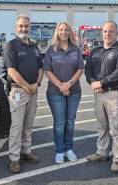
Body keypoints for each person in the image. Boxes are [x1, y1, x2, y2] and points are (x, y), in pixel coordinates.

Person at [84, 21, 118, 173]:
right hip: (98, 94)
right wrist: (92, 82)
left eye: (111, 31)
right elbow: (88, 69)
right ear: (102, 33)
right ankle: (102, 152)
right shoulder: (95, 51)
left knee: (116, 127)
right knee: (102, 125)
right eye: (105, 31)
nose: (107, 34)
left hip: (114, 93)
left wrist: (101, 83)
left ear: (117, 34)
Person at [3, 14, 43, 173]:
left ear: (30, 27)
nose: (23, 29)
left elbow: (41, 68)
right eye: (21, 26)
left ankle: (26, 151)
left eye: (26, 26)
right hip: (18, 91)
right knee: (17, 126)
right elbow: (11, 71)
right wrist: (28, 86)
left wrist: (37, 84)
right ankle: (14, 158)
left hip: (33, 90)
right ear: (16, 28)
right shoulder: (11, 46)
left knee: (28, 124)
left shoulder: (34, 46)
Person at [43, 22, 84, 164]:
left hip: (74, 91)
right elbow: (47, 71)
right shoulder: (51, 50)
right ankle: (60, 151)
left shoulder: (76, 50)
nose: (64, 32)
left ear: (70, 32)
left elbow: (80, 69)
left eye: (66, 30)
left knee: (70, 122)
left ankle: (69, 149)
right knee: (60, 122)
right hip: (55, 92)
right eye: (61, 30)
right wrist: (61, 86)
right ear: (57, 32)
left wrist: (69, 84)